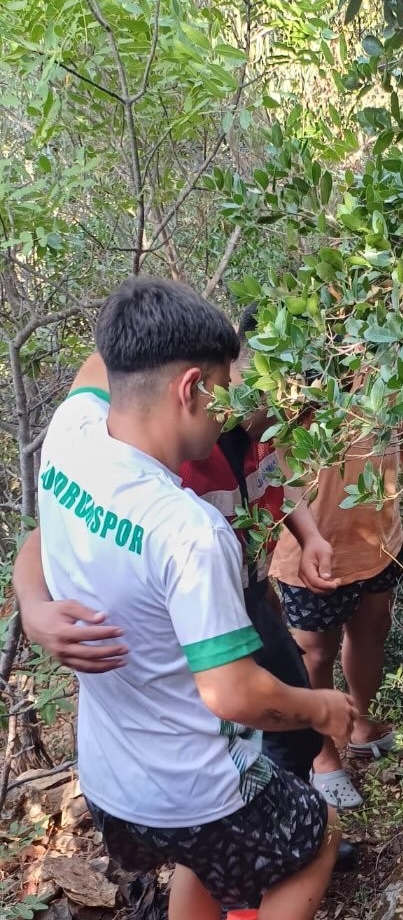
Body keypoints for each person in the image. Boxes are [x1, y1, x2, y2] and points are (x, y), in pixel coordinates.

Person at [26, 275, 357, 920]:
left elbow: (100, 362)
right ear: (189, 388)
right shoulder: (188, 528)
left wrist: (33, 607)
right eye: (224, 393)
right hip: (194, 780)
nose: (229, 412)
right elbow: (233, 694)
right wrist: (322, 705)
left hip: (115, 785)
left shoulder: (71, 437)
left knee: (198, 867)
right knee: (314, 839)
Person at [14, 307, 358, 869]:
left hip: (249, 602)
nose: (282, 421)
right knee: (248, 730)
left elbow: (272, 482)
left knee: (289, 740)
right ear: (208, 383)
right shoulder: (165, 464)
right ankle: (253, 857)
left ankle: (277, 833)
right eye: (273, 399)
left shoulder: (251, 433)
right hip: (179, 656)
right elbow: (51, 529)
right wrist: (33, 605)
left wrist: (310, 534)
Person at [270, 413, 403, 809]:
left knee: (372, 631)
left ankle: (361, 726)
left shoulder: (385, 355)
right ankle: (323, 756)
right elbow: (268, 454)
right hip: (310, 546)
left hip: (379, 535)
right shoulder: (291, 371)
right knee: (314, 654)